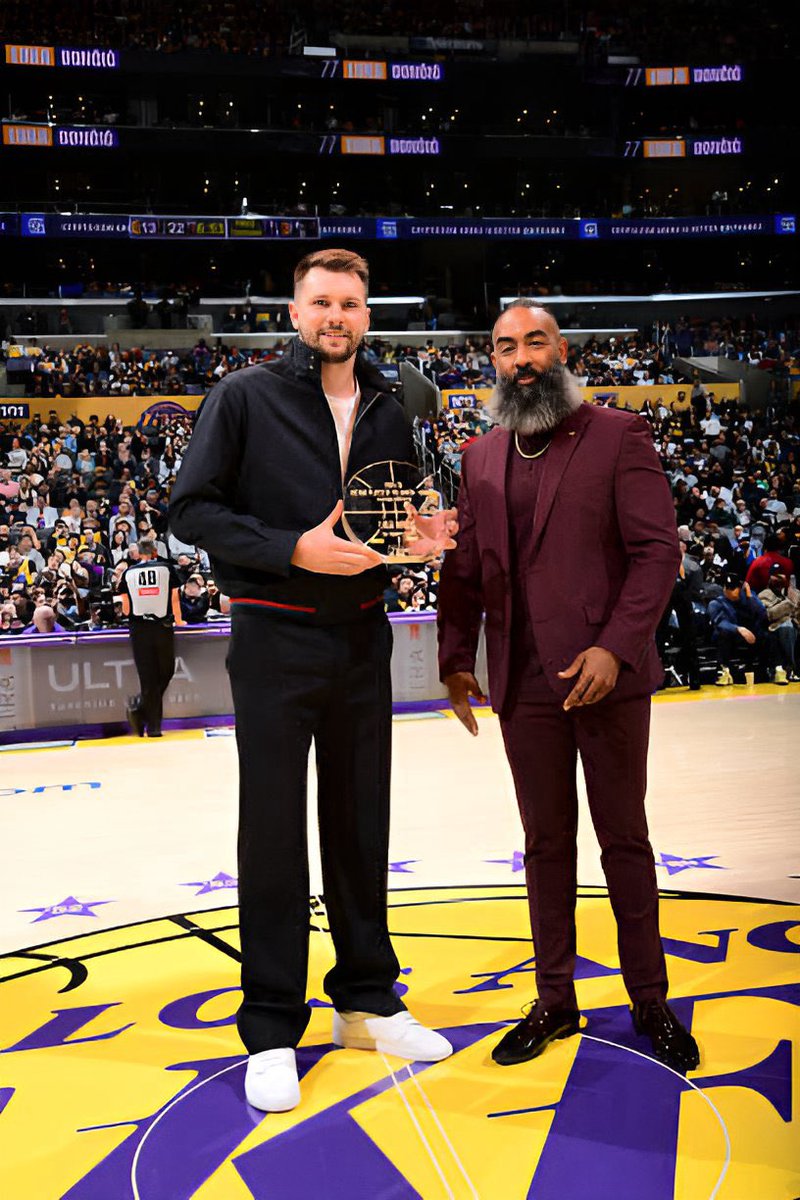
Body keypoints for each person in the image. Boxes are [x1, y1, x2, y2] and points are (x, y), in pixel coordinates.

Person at [169, 248, 456, 1114]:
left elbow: (388, 517)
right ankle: (270, 1025)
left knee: (363, 821)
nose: (338, 316)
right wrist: (291, 547)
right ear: (295, 312)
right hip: (274, 639)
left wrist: (422, 537)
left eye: (353, 303)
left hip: (362, 638)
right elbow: (189, 510)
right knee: (274, 833)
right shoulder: (243, 397)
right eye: (323, 301)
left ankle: (366, 997)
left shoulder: (391, 404)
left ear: (368, 315)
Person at [437, 300, 700, 1073]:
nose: (521, 358)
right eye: (505, 346)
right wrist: (457, 658)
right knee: (546, 844)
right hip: (522, 682)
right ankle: (555, 999)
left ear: (562, 351)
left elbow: (657, 555)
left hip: (604, 680)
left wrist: (615, 650)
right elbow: (464, 568)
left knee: (624, 840)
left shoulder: (619, 435)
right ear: (493, 361)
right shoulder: (479, 455)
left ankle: (650, 1000)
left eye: (535, 342)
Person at [118, 538, 184, 738]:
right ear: (155, 551)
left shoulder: (128, 573)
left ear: (137, 554)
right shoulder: (166, 568)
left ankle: (144, 714)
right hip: (162, 626)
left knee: (147, 678)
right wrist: (179, 620)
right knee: (166, 672)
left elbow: (126, 607)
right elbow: (174, 598)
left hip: (138, 629)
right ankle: (149, 721)